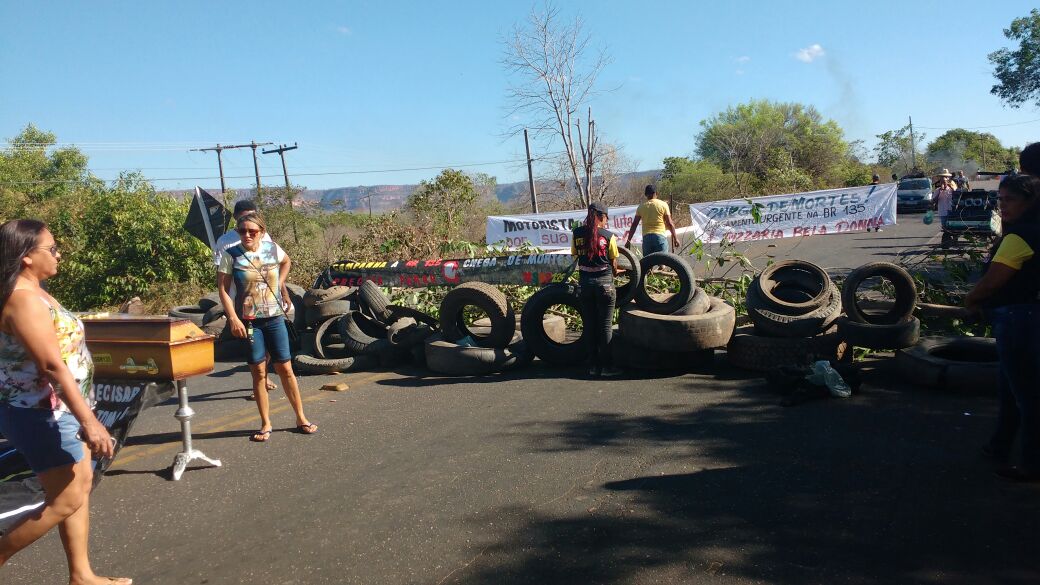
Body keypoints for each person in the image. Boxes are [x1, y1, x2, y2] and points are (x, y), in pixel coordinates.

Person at [0, 220, 131, 585]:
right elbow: (52, 365)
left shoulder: (36, 291)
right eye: (52, 248)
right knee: (68, 498)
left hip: (61, 410)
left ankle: (81, 574)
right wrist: (90, 421)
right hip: (43, 415)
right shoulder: (22, 300)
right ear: (26, 257)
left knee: (79, 487)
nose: (59, 254)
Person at [964, 174, 1040, 482]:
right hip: (1027, 316)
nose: (1002, 206)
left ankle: (1032, 464)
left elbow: (993, 281)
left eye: (1010, 200)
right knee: (1009, 390)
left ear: (1029, 203)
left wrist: (971, 299)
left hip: (1018, 320)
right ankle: (999, 445)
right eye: (1000, 199)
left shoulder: (1019, 237)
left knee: (1027, 396)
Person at [217, 212, 316, 442]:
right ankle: (266, 423)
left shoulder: (272, 249)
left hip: (274, 319)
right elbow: (223, 289)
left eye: (252, 231)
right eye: (243, 231)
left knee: (285, 369)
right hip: (250, 322)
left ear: (262, 232)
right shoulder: (230, 255)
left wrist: (280, 283)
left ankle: (301, 417)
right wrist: (232, 318)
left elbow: (286, 261)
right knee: (259, 371)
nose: (247, 235)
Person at [214, 199, 277, 392]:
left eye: (252, 216)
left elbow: (276, 264)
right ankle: (258, 382)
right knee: (252, 344)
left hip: (267, 301)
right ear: (235, 218)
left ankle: (263, 377)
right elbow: (222, 278)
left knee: (268, 345)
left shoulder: (263, 236)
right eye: (243, 219)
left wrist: (281, 289)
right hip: (242, 303)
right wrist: (231, 313)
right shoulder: (225, 242)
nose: (248, 229)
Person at [572, 201, 621, 378]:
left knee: (590, 325)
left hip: (585, 285)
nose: (607, 221)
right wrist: (619, 271)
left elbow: (575, 255)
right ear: (601, 216)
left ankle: (593, 366)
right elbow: (614, 263)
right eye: (606, 217)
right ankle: (607, 367)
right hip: (605, 285)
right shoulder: (609, 236)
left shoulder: (577, 234)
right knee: (605, 326)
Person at [624, 184, 679, 255]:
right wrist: (675, 238)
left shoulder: (641, 207)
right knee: (663, 261)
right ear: (656, 193)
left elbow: (634, 224)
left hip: (646, 238)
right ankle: (661, 266)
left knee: (648, 263)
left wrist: (628, 240)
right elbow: (670, 223)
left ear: (646, 195)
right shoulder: (663, 205)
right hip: (660, 237)